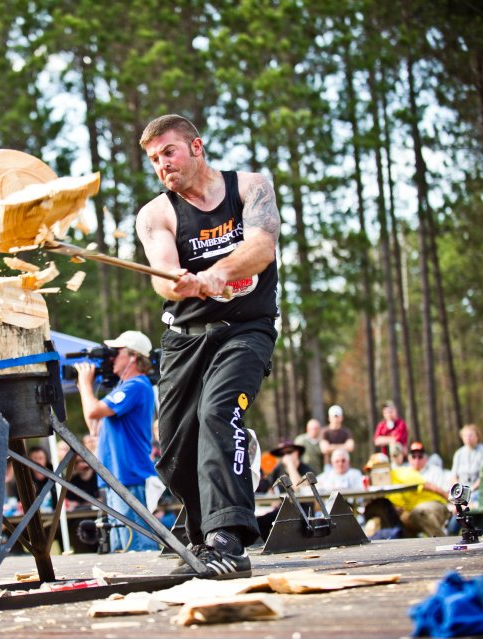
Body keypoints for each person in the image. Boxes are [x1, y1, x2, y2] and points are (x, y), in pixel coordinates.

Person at [136, 114, 280, 578]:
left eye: (169, 152)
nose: (163, 165)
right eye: (155, 160)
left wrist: (222, 270)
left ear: (196, 147)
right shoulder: (155, 213)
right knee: (176, 448)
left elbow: (262, 247)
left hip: (244, 330)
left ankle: (229, 541)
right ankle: (204, 538)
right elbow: (162, 272)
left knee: (219, 411)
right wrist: (176, 282)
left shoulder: (249, 188)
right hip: (184, 338)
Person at [75, 330, 158, 552]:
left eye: (117, 352)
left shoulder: (137, 385)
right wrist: (86, 389)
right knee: (121, 548)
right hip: (115, 476)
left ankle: (152, 586)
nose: (111, 357)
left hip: (128, 475)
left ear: (132, 356)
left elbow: (93, 411)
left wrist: (85, 385)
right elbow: (94, 426)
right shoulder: (124, 388)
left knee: (138, 546)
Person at [365, 452, 450, 537]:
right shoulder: (380, 488)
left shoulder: (403, 474)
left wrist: (451, 499)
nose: (372, 473)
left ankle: (441, 541)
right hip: (410, 513)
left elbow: (428, 485)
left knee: (419, 512)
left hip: (433, 504)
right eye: (370, 471)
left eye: (375, 469)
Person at [451, 424, 483, 492]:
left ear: (477, 436)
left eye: (470, 435)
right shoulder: (458, 454)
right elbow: (453, 476)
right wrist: (460, 489)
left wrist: (471, 489)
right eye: (465, 436)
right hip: (461, 490)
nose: (468, 438)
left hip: (479, 490)